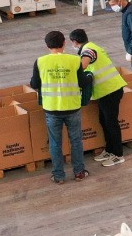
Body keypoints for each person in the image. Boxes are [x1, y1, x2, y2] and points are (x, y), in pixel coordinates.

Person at [30, 30, 93, 184]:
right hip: (72, 107)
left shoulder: (40, 62)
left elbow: (34, 84)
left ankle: (59, 176)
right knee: (76, 140)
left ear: (47, 46)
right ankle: (79, 172)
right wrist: (90, 76)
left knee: (55, 143)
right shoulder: (74, 60)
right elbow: (82, 82)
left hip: (51, 109)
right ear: (64, 43)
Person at [70, 28, 127, 168]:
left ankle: (118, 155)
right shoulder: (92, 46)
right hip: (105, 92)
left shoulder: (88, 50)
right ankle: (109, 150)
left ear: (75, 42)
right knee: (104, 121)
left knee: (111, 123)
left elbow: (82, 66)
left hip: (111, 91)